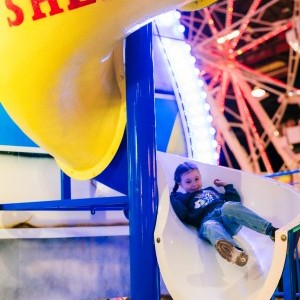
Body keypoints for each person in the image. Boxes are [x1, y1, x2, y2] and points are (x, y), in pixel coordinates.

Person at [170, 161, 278, 267]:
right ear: (180, 184)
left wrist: (226, 186)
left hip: (225, 217)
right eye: (188, 182)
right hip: (208, 222)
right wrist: (172, 195)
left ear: (200, 177)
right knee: (210, 226)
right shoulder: (183, 199)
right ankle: (235, 252)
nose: (194, 184)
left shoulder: (210, 189)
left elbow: (235, 201)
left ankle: (271, 231)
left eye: (197, 179)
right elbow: (182, 214)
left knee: (228, 206)